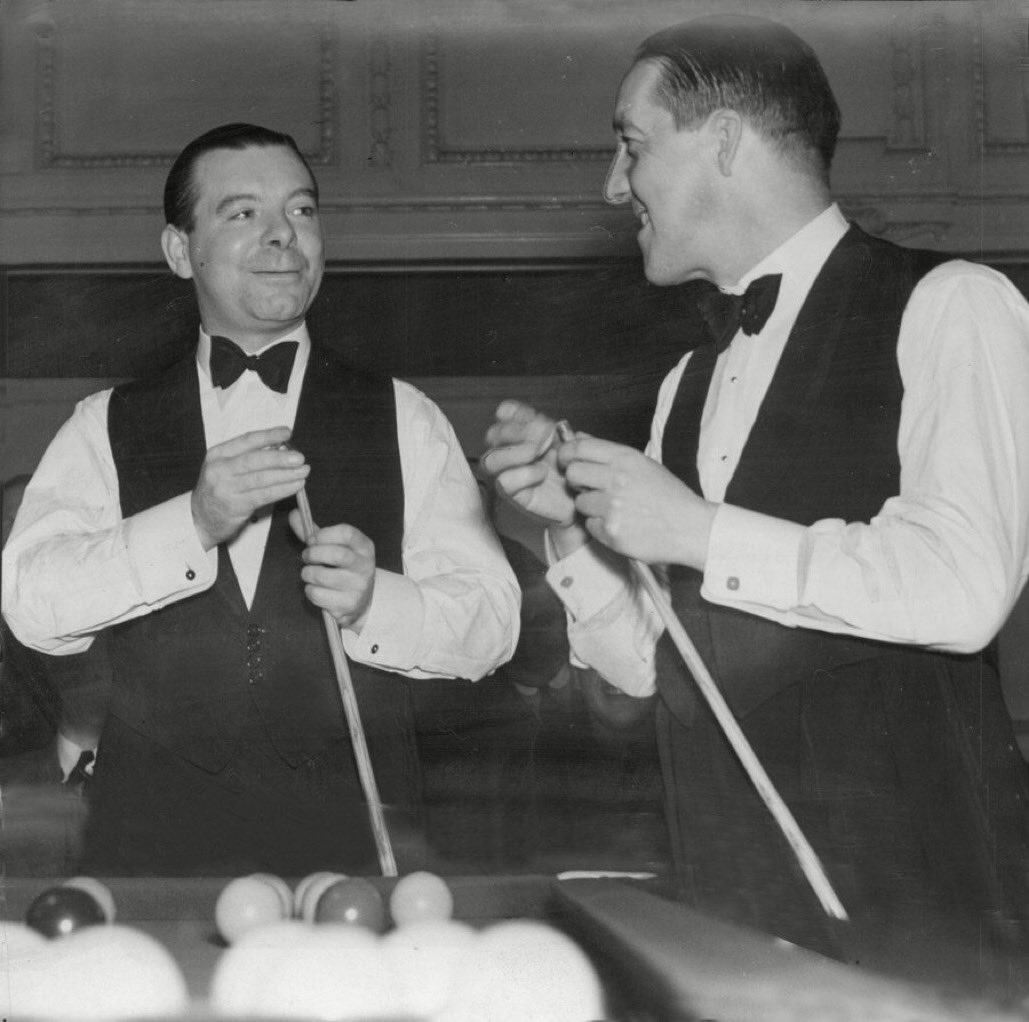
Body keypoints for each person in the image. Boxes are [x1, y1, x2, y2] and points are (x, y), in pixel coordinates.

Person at [481, 15, 1029, 979]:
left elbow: (963, 585)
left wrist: (696, 530)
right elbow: (658, 673)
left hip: (926, 920)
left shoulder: (952, 303)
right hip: (727, 915)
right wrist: (570, 534)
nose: (613, 185)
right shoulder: (684, 384)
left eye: (632, 145)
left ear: (725, 140)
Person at [2, 122, 520, 877]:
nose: (283, 234)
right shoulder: (102, 423)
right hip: (150, 841)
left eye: (301, 210)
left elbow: (496, 623)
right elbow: (29, 602)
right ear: (180, 251)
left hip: (354, 838)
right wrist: (192, 524)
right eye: (243, 212)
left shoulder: (406, 415)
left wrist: (375, 602)